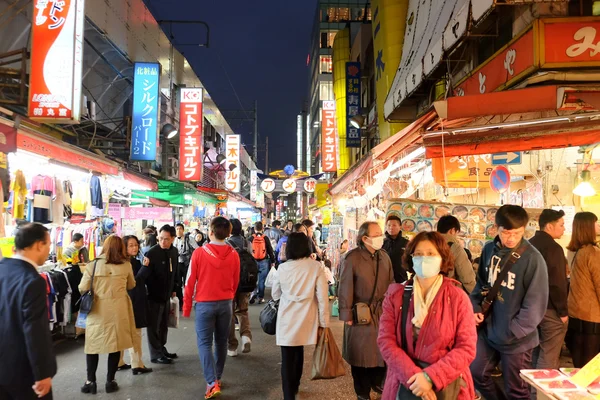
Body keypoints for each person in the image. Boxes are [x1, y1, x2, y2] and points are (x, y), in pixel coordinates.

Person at [378, 231, 477, 399]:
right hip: (405, 382)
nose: (424, 259)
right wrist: (416, 379)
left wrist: (430, 377)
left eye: (431, 254)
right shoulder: (395, 295)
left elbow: (466, 347)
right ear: (411, 258)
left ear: (442, 258)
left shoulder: (457, 298)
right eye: (418, 254)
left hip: (449, 385)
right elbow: (386, 341)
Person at [470, 205, 549, 400]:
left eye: (517, 233)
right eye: (506, 233)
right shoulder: (489, 250)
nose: (511, 238)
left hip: (517, 339)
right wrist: (476, 307)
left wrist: (514, 330)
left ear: (524, 230)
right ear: (496, 228)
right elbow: (480, 284)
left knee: (517, 390)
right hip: (489, 331)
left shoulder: (533, 259)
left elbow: (536, 302)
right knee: (477, 373)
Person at [183, 217, 240, 399]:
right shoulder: (234, 254)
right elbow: (236, 281)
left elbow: (189, 281)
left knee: (205, 344)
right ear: (228, 233)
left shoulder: (199, 253)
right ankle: (218, 378)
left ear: (211, 231)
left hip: (204, 305)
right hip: (226, 304)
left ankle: (211, 382)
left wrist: (185, 308)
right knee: (221, 342)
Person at [338, 221, 395, 400]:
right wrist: (347, 314)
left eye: (381, 233)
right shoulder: (352, 258)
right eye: (376, 234)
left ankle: (377, 384)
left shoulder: (384, 256)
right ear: (365, 238)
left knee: (381, 352)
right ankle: (362, 392)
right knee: (360, 356)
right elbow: (345, 287)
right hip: (360, 314)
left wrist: (393, 307)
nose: (381, 237)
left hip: (382, 312)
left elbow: (391, 283)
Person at [0, 223, 56, 400]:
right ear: (39, 244)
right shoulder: (32, 281)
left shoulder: (3, 270)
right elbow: (35, 330)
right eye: (48, 244)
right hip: (23, 372)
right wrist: (42, 373)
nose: (48, 250)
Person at [272, 233, 330, 400]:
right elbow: (322, 297)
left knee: (287, 356)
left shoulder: (282, 268)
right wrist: (324, 323)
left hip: (287, 318)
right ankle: (296, 385)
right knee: (299, 351)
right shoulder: (315, 267)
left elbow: (275, 294)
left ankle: (288, 395)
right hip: (307, 317)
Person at [79, 235, 136, 395]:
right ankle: (110, 381)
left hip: (97, 311)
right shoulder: (126, 265)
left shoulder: (93, 265)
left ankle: (91, 382)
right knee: (115, 345)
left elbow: (82, 287)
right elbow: (131, 284)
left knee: (92, 346)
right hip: (119, 310)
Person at [529, 209, 569, 369]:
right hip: (549, 309)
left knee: (534, 352)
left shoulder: (528, 244)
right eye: (561, 225)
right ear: (549, 227)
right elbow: (557, 283)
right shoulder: (554, 249)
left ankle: (531, 392)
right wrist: (563, 312)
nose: (564, 228)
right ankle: (539, 394)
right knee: (549, 356)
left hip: (529, 309)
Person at [138, 225, 179, 365]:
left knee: (163, 325)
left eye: (166, 239)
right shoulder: (152, 253)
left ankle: (162, 348)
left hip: (166, 295)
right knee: (153, 326)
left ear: (173, 239)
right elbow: (141, 277)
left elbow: (175, 272)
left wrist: (175, 288)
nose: (163, 242)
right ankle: (155, 354)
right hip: (153, 296)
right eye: (160, 239)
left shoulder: (174, 251)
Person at [565, 211, 600, 367]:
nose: (599, 225)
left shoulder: (573, 250)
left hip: (575, 314)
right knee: (589, 368)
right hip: (592, 318)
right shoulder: (593, 253)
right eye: (596, 222)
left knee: (579, 366)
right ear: (588, 227)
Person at [117, 236, 153, 375]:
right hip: (132, 300)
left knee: (123, 333)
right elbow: (135, 281)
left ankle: (119, 362)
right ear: (124, 247)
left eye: (136, 245)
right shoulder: (128, 263)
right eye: (130, 245)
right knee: (135, 333)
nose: (134, 248)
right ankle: (137, 364)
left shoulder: (126, 261)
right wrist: (145, 268)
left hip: (128, 300)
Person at [226, 219, 253, 357]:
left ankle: (232, 346)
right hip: (245, 282)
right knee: (243, 311)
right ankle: (246, 336)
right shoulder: (247, 242)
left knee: (229, 313)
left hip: (229, 283)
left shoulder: (226, 244)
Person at [436, 215, 477, 293]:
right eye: (457, 233)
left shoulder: (428, 244)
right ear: (452, 230)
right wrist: (475, 295)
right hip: (448, 293)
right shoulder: (455, 248)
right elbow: (467, 278)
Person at [249, 221, 275, 305]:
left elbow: (248, 250)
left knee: (253, 278)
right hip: (264, 260)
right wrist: (273, 261)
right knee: (262, 280)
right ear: (262, 228)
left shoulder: (251, 238)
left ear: (254, 229)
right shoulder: (265, 238)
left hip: (253, 261)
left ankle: (253, 293)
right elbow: (270, 250)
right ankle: (261, 297)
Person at [174, 223, 199, 305]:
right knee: (178, 284)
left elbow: (197, 249)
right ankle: (181, 302)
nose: (178, 230)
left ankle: (187, 300)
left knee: (187, 282)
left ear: (183, 230)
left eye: (180, 228)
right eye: (177, 229)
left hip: (187, 263)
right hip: (177, 263)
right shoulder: (174, 239)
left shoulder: (189, 239)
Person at [382, 215, 409, 283]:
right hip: (384, 279)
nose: (391, 227)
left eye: (394, 225)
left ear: (400, 227)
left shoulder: (406, 243)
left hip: (401, 279)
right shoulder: (382, 243)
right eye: (389, 225)